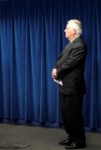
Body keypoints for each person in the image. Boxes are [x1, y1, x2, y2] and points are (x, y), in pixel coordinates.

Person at [52, 19, 87, 149]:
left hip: (73, 87)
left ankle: (79, 141)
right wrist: (55, 69)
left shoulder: (79, 45)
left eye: (67, 28)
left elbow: (70, 63)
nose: (65, 30)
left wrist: (57, 71)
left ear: (73, 31)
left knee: (74, 115)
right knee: (67, 114)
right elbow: (61, 60)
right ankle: (71, 137)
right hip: (65, 85)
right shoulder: (71, 44)